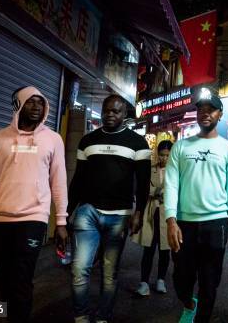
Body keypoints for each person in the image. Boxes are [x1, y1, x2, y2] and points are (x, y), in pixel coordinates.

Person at [0, 86, 68, 323]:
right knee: (5, 278)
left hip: (33, 219)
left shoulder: (53, 139)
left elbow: (58, 181)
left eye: (41, 103)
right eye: (31, 102)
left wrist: (61, 220)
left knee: (21, 279)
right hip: (0, 220)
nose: (37, 107)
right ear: (18, 105)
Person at [164, 88, 228, 323]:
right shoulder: (180, 147)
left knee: (210, 284)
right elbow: (171, 185)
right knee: (181, 278)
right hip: (184, 224)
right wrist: (171, 220)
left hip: (216, 224)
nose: (205, 113)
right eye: (201, 108)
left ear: (220, 114)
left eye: (210, 109)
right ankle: (189, 303)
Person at [68, 94, 151, 323]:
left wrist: (139, 213)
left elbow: (143, 183)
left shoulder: (138, 143)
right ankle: (81, 316)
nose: (110, 115)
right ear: (102, 111)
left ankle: (103, 316)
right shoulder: (87, 141)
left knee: (109, 273)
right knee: (79, 269)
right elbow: (78, 180)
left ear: (125, 115)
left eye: (116, 111)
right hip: (88, 212)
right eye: (107, 111)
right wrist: (66, 214)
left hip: (119, 216)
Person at [131, 139, 173, 296]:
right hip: (151, 213)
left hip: (167, 216)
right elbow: (143, 188)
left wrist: (164, 193)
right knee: (148, 249)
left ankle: (161, 280)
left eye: (168, 155)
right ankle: (144, 283)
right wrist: (157, 192)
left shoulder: (176, 171)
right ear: (158, 154)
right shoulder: (150, 169)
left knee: (165, 250)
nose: (164, 159)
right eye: (162, 155)